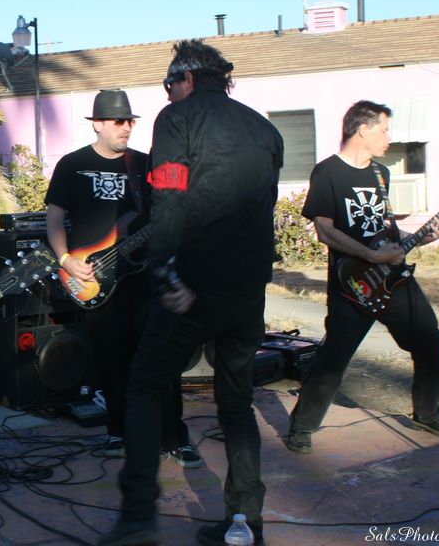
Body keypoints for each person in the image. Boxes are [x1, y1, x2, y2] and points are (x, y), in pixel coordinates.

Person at [99, 40, 283, 546]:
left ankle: (137, 520)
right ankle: (246, 523)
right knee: (236, 402)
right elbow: (263, 211)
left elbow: (169, 200)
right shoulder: (264, 129)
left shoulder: (176, 118)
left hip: (194, 286)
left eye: (168, 83)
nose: (167, 93)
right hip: (247, 292)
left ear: (186, 79)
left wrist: (165, 274)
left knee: (144, 387)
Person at [286, 100, 439, 455]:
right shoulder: (327, 172)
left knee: (429, 340)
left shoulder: (381, 173)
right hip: (352, 282)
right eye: (384, 130)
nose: (389, 138)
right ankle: (302, 427)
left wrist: (418, 238)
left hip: (394, 280)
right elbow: (324, 230)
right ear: (362, 129)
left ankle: (428, 414)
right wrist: (370, 256)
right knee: (333, 359)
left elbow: (384, 228)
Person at [45, 89, 201, 468]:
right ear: (97, 124)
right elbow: (54, 219)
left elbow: (170, 212)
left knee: (160, 356)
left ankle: (173, 438)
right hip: (94, 278)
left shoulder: (145, 165)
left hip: (145, 279)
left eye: (130, 121)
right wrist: (65, 260)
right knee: (111, 362)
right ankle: (118, 432)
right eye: (118, 121)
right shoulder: (71, 165)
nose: (126, 127)